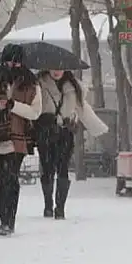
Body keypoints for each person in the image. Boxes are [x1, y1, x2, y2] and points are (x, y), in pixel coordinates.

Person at [0, 45, 42, 236]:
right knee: (1, 179)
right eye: (8, 61)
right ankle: (3, 220)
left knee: (11, 177)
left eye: (16, 62)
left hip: (19, 137)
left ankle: (10, 220)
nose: (12, 65)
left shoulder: (32, 86)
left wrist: (13, 105)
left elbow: (35, 112)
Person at [35, 69, 108, 219]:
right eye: (53, 67)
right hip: (45, 131)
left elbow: (82, 109)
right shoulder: (39, 84)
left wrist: (97, 127)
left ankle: (60, 208)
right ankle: (48, 205)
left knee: (63, 169)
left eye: (59, 68)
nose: (56, 71)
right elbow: (34, 107)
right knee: (47, 168)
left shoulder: (73, 87)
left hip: (65, 132)